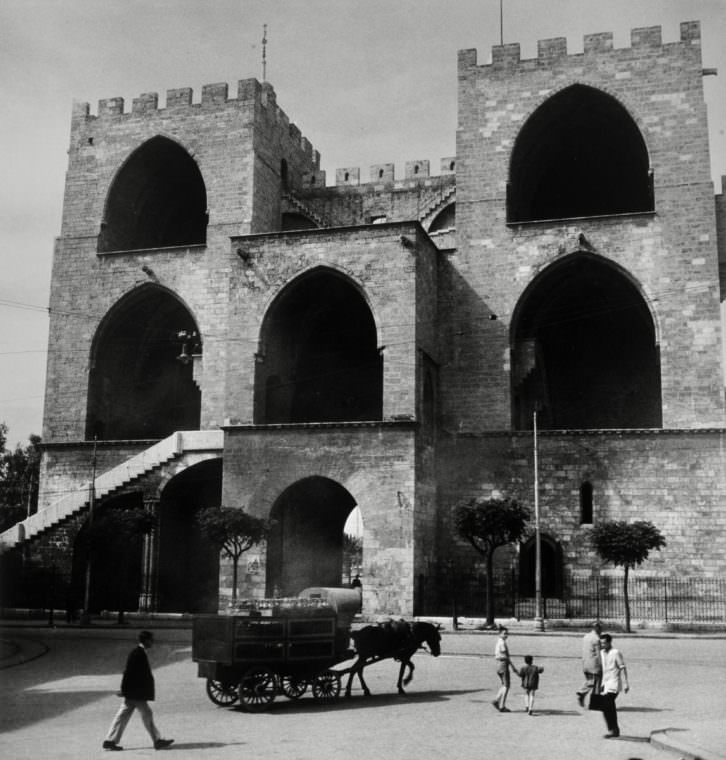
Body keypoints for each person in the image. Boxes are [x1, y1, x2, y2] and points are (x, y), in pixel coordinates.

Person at [102, 630, 174, 752]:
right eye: (151, 640)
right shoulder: (138, 654)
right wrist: (124, 690)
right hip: (136, 693)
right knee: (146, 715)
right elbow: (128, 673)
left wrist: (125, 690)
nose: (153, 642)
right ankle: (157, 741)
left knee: (123, 715)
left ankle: (110, 740)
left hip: (134, 693)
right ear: (146, 640)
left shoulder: (139, 652)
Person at [598, 632, 629, 738]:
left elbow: (622, 668)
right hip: (606, 684)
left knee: (608, 705)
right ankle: (614, 729)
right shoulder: (601, 653)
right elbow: (603, 669)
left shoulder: (616, 653)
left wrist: (626, 683)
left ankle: (614, 730)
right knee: (606, 707)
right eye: (601, 643)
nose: (602, 645)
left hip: (614, 684)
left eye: (604, 643)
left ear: (610, 642)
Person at [576, 620, 602, 707]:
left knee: (590, 681)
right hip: (594, 664)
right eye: (601, 628)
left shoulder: (586, 636)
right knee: (597, 683)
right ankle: (584, 694)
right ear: (597, 628)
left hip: (585, 663)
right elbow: (598, 654)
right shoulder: (597, 639)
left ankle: (583, 694)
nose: (601, 630)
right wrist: (602, 665)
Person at [492, 626, 514, 712]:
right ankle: (502, 705)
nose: (506, 635)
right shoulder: (502, 643)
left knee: (504, 685)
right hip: (504, 665)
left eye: (507, 633)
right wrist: (513, 667)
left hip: (499, 665)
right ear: (500, 634)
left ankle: (497, 700)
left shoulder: (499, 642)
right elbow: (506, 656)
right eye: (504, 633)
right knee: (507, 686)